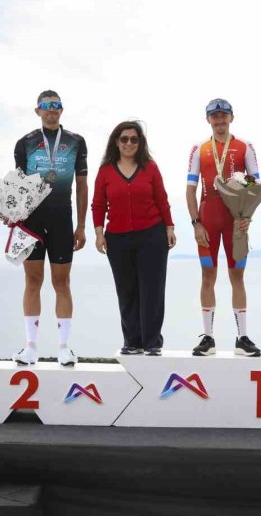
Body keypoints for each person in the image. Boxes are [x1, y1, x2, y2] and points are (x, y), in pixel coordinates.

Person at [10, 90, 88, 367]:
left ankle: (64, 348)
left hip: (62, 220)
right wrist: (11, 216)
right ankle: (30, 348)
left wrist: (81, 226)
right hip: (30, 221)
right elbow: (17, 187)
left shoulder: (76, 142)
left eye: (56, 106)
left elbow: (81, 186)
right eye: (47, 106)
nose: (52, 110)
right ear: (38, 111)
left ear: (62, 110)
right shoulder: (25, 143)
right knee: (32, 282)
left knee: (61, 283)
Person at [93, 122, 176, 356]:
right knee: (126, 290)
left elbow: (162, 198)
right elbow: (98, 204)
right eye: (124, 139)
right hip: (117, 239)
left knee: (152, 289)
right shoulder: (106, 171)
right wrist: (99, 233)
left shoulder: (150, 167)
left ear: (140, 143)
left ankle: (152, 342)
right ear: (116, 142)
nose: (129, 143)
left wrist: (169, 227)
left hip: (152, 235)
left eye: (134, 139)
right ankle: (132, 341)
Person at [186, 98, 261, 357]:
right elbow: (190, 189)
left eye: (223, 115)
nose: (219, 120)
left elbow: (256, 187)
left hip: (236, 222)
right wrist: (196, 223)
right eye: (214, 116)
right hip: (207, 220)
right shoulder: (199, 149)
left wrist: (247, 217)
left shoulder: (245, 147)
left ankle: (243, 338)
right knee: (208, 277)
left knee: (237, 277)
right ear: (208, 119)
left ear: (231, 117)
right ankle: (208, 338)